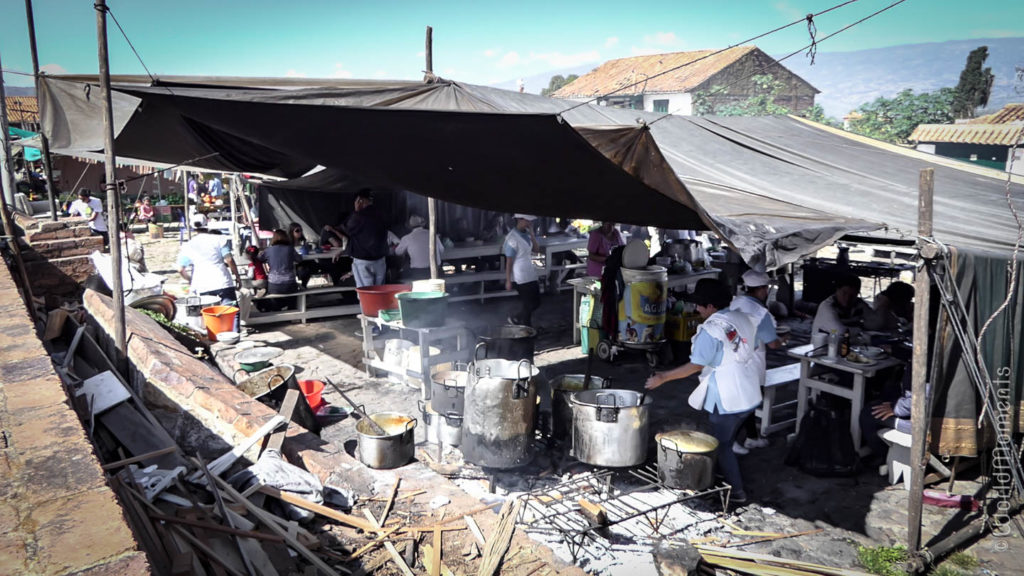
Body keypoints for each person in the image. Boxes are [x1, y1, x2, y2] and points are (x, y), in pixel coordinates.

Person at [645, 278, 761, 505]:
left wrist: (662, 377)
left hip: (728, 397)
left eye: (700, 304)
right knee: (728, 437)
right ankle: (720, 473)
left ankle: (736, 493)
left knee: (722, 445)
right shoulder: (742, 318)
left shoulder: (710, 330)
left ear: (711, 306)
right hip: (750, 390)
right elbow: (752, 346)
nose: (696, 309)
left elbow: (695, 366)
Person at [729, 270, 787, 454]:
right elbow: (773, 344)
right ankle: (730, 440)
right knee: (748, 403)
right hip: (751, 363)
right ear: (762, 289)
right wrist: (784, 339)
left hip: (731, 357)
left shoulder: (735, 302)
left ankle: (751, 437)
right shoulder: (760, 313)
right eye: (766, 288)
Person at [177, 224, 241, 306]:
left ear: (194, 229)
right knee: (230, 312)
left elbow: (180, 269)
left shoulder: (188, 245)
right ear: (207, 227)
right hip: (223, 282)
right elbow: (229, 259)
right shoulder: (219, 239)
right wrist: (237, 276)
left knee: (209, 315)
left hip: (202, 285)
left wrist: (190, 280)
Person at [343, 189, 388, 287]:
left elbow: (348, 230)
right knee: (379, 291)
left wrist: (356, 210)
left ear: (360, 200)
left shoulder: (359, 216)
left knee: (366, 292)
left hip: (363, 260)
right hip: (380, 260)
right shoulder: (381, 214)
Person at [504, 214, 541, 326]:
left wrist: (532, 234)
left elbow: (536, 250)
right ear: (519, 220)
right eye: (528, 221)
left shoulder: (527, 234)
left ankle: (516, 318)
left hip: (530, 272)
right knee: (528, 304)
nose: (530, 223)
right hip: (519, 275)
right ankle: (526, 328)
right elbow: (509, 261)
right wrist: (508, 280)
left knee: (536, 302)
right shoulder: (512, 238)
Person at [811, 273, 872, 337]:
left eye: (852, 295)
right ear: (837, 290)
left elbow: (875, 324)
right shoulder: (827, 306)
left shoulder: (859, 304)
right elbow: (840, 331)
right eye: (844, 293)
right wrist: (859, 331)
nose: (847, 298)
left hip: (848, 344)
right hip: (825, 345)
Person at [257, 229, 303, 311]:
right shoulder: (290, 249)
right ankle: (292, 311)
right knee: (293, 293)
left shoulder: (268, 250)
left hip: (274, 285)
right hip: (290, 284)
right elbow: (299, 259)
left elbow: (260, 258)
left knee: (274, 294)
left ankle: (277, 308)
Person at [395, 214, 443, 281]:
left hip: (418, 271)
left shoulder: (407, 238)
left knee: (402, 272)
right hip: (436, 270)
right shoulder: (433, 234)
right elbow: (441, 250)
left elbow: (398, 252)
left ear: (409, 226)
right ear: (423, 224)